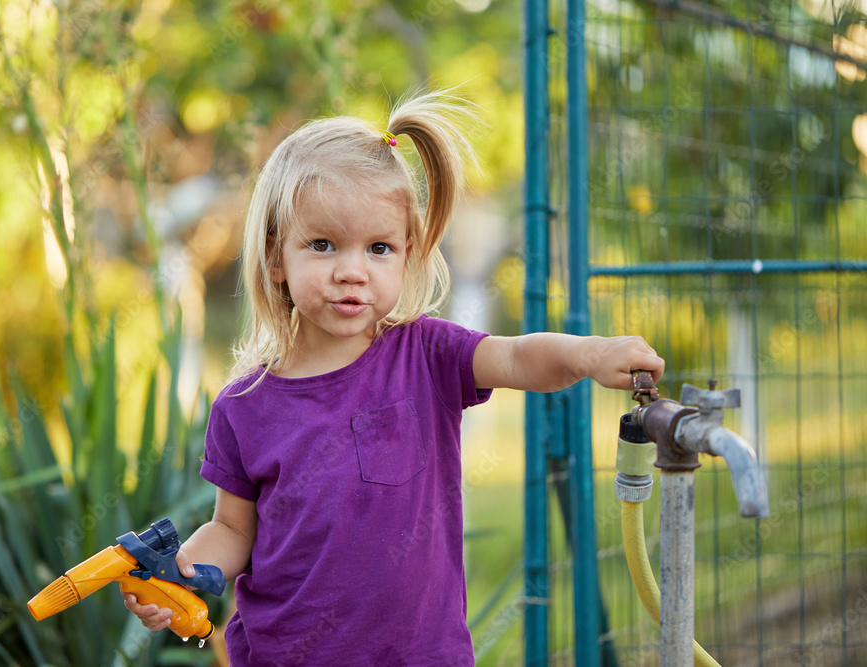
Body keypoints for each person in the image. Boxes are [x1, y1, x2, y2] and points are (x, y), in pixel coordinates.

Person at [123, 91, 664, 666]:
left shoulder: (427, 355)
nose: (352, 270)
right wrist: (185, 575)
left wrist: (590, 353)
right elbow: (232, 528)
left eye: (378, 248)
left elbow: (514, 358)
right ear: (276, 257)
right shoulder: (244, 405)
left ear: (407, 256)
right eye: (324, 245)